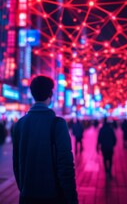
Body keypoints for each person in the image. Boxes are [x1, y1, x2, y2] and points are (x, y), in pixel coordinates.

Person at [12, 75, 78, 204]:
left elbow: (16, 163)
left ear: (32, 93)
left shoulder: (19, 125)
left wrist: (24, 188)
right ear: (51, 93)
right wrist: (72, 198)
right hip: (52, 196)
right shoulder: (58, 124)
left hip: (27, 197)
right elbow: (65, 165)